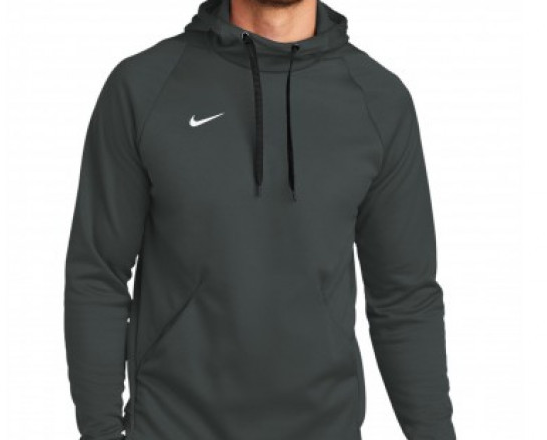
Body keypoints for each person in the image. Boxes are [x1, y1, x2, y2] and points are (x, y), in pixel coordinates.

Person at [63, 0, 456, 439]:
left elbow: (404, 298)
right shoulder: (144, 87)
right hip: (172, 427)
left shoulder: (379, 101)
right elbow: (98, 273)